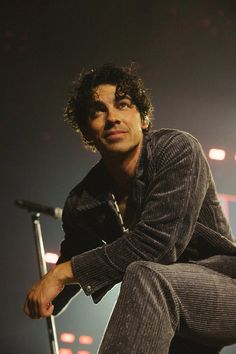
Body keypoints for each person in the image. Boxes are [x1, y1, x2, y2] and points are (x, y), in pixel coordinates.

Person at [24, 64, 236, 354]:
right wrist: (47, 297)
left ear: (144, 119)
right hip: (166, 311)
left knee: (145, 274)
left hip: (226, 289)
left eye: (123, 105)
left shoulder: (176, 150)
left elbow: (158, 245)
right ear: (87, 132)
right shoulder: (83, 201)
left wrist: (62, 274)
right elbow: (76, 257)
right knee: (148, 279)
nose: (112, 118)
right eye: (98, 111)